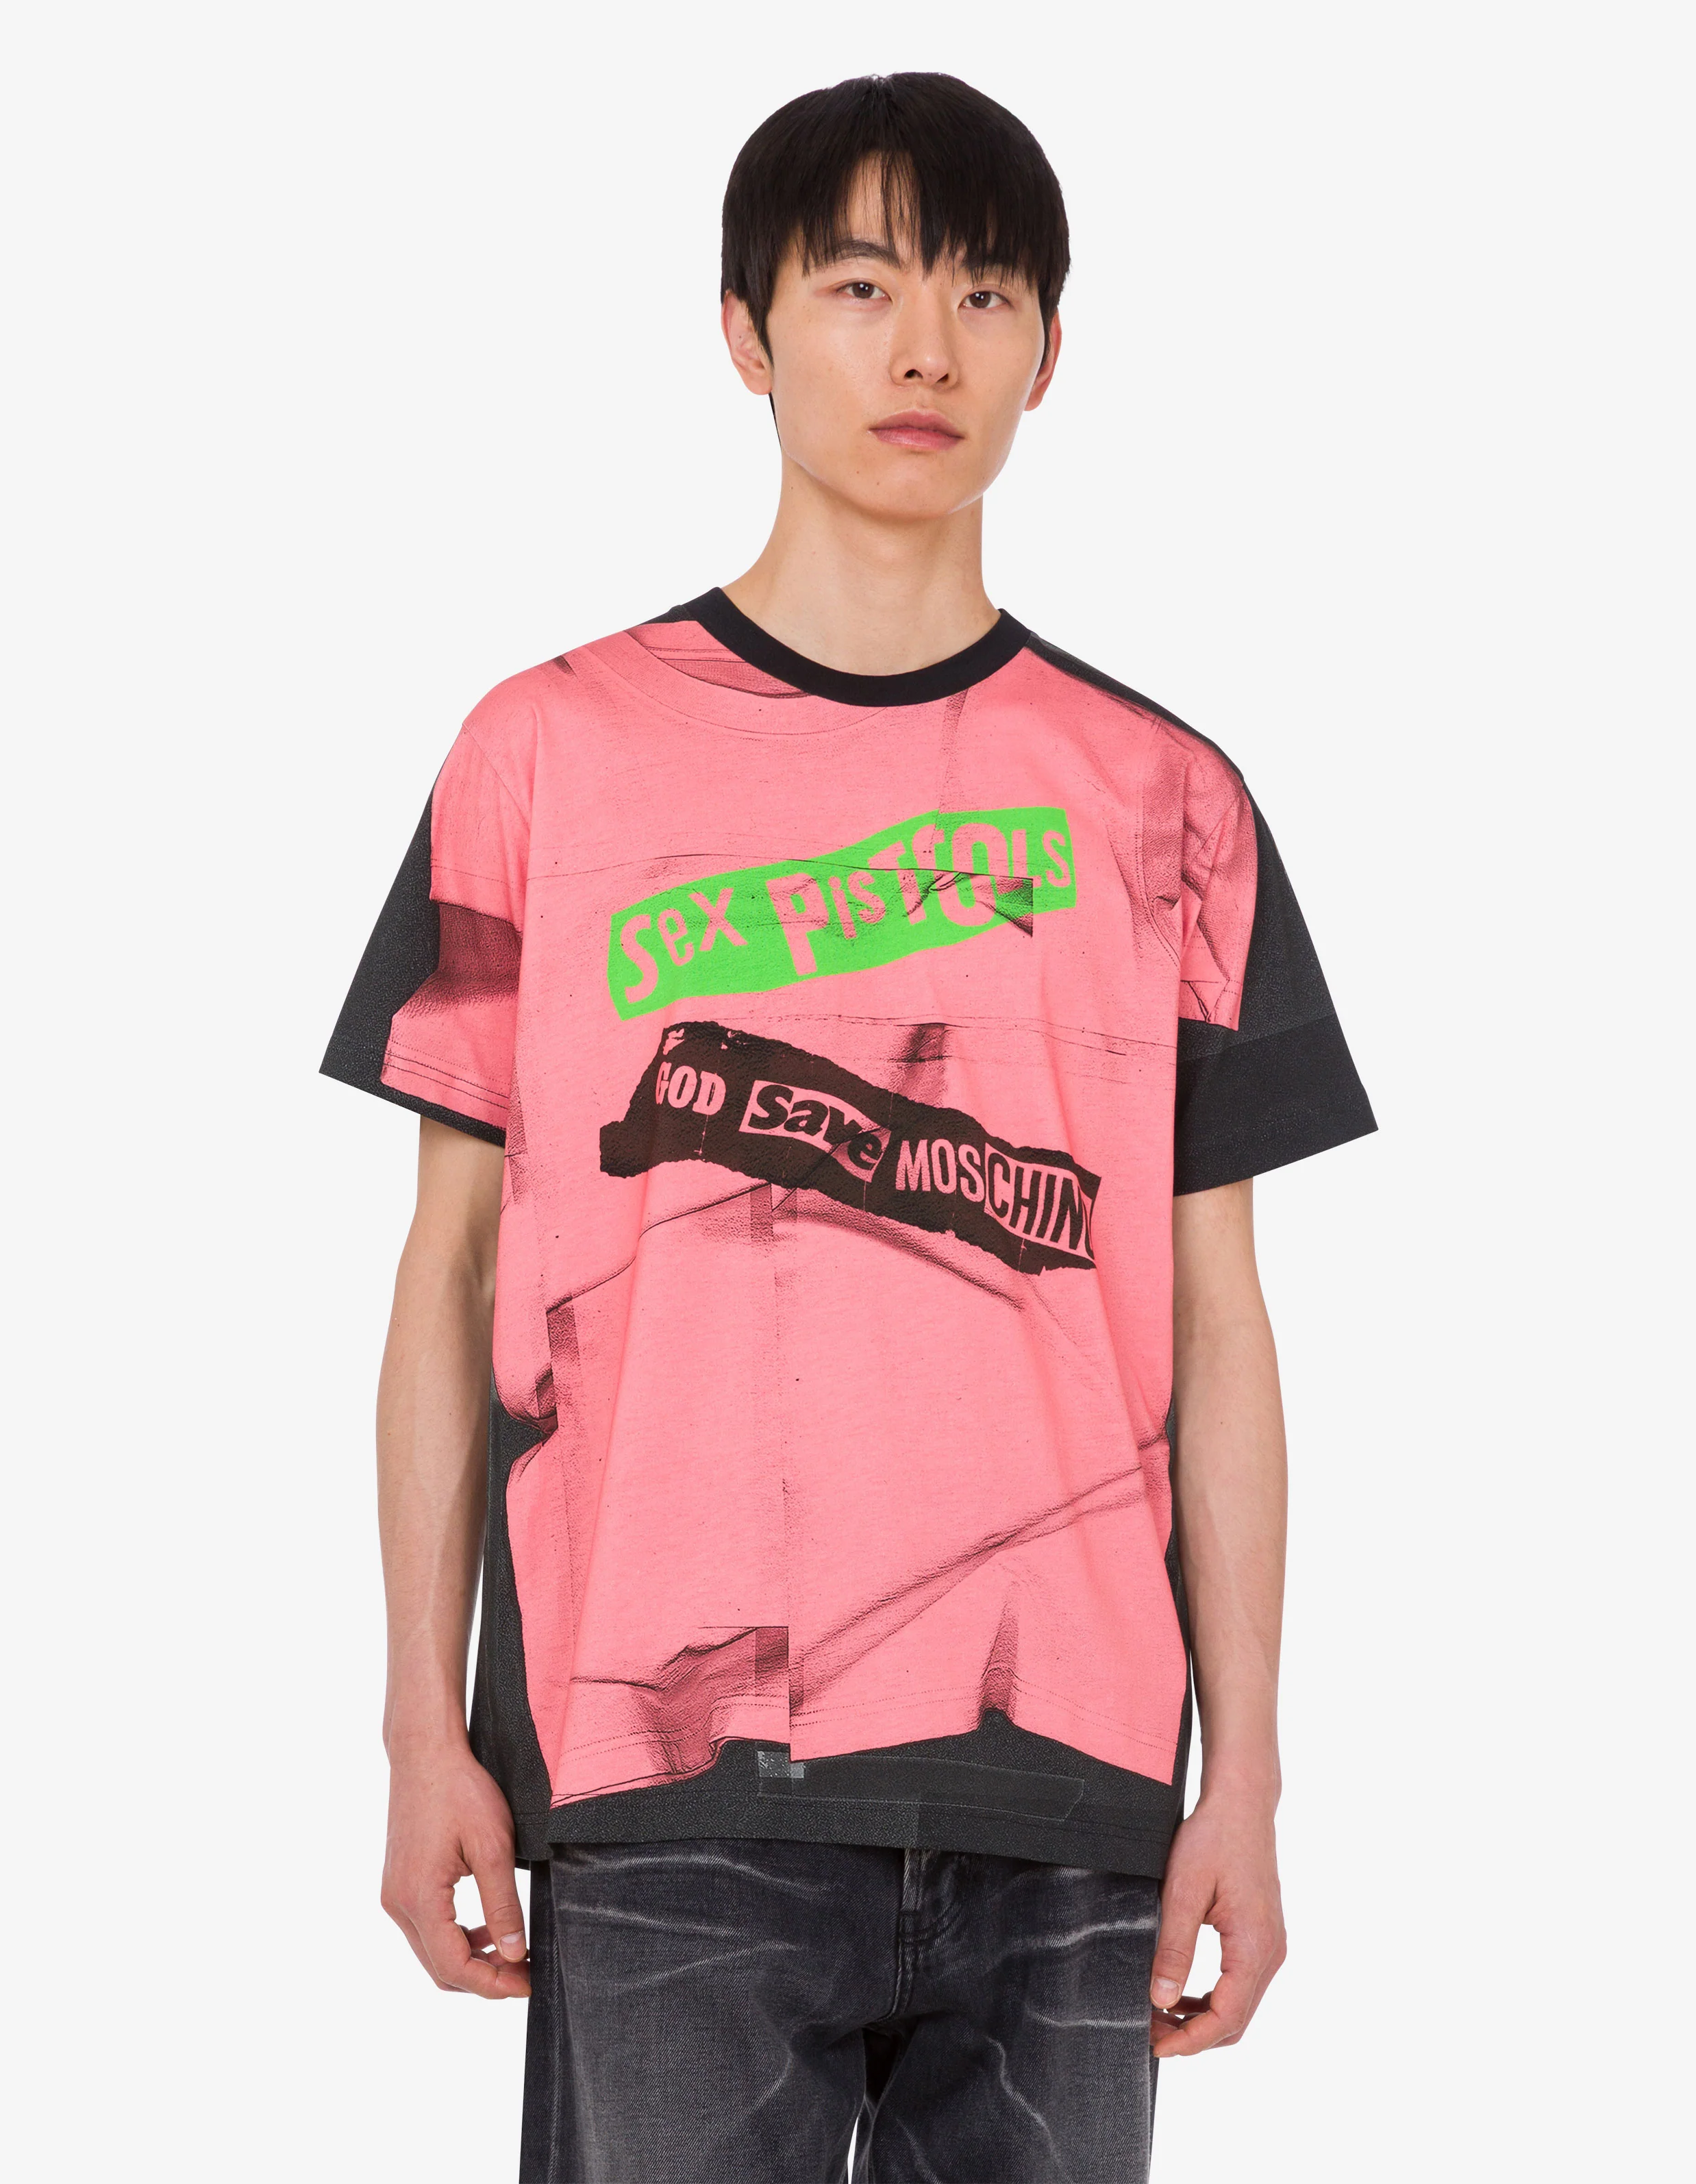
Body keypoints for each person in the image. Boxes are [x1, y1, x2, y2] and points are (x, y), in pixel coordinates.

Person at [322, 70, 1375, 2183]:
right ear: (746, 327)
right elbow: (451, 1270)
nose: (925, 352)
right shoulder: (546, 757)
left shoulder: (1163, 802)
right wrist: (420, 1726)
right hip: (660, 1772)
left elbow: (1219, 1317)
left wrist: (1245, 1778)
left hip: (1067, 1780)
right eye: (862, 285)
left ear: (1048, 355)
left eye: (984, 296)